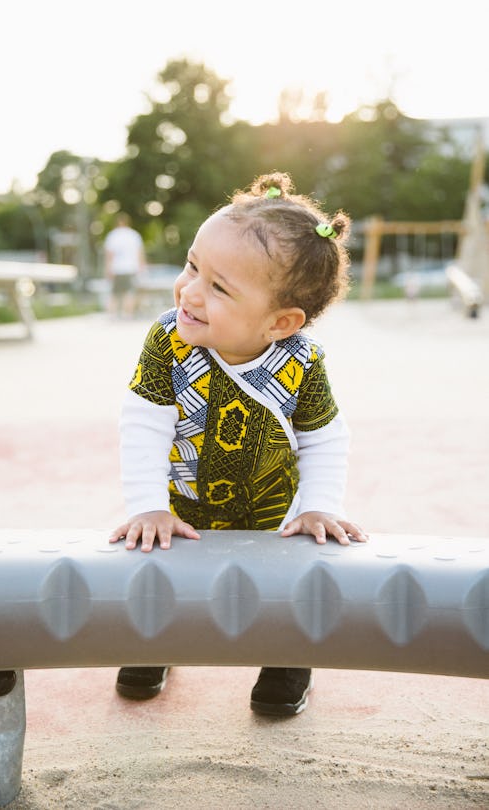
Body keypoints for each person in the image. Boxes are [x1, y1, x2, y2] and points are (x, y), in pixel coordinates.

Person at [109, 171, 368, 717]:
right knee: (159, 563)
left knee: (293, 576)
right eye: (191, 265)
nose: (189, 290)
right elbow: (143, 424)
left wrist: (321, 507)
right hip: (184, 505)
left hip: (274, 510)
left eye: (219, 287)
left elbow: (324, 438)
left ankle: (287, 655)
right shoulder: (167, 340)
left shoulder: (300, 363)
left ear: (280, 322)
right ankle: (155, 639)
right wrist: (148, 506)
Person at [103, 212, 146, 317]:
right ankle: (128, 314)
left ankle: (112, 314)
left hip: (117, 268)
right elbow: (139, 253)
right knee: (129, 292)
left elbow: (109, 255)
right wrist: (141, 267)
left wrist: (108, 269)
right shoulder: (134, 235)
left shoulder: (112, 235)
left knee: (114, 293)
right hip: (131, 268)